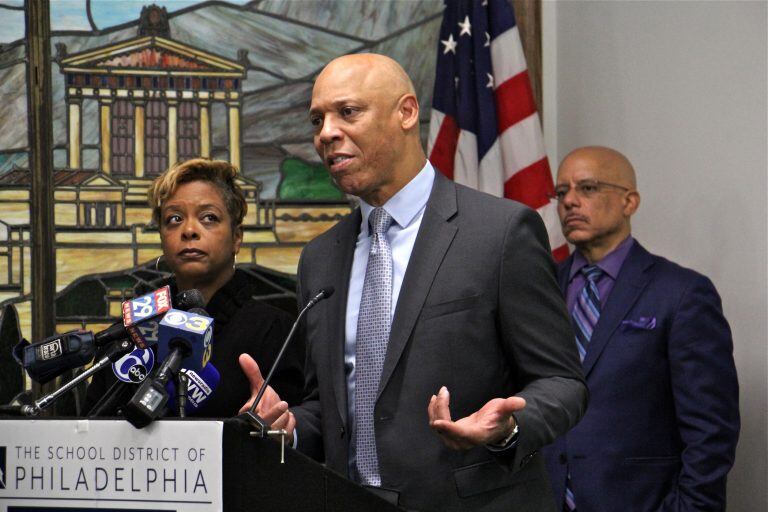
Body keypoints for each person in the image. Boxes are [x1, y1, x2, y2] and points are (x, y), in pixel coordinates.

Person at [238, 53, 587, 511]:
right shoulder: (319, 258)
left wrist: (509, 429)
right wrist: (291, 427)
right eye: (317, 119)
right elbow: (329, 404)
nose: (326, 133)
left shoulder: (500, 233)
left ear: (406, 112)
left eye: (348, 112)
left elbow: (561, 381)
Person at [542, 146, 740, 511]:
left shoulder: (681, 293)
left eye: (587, 188)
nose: (569, 201)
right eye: (561, 192)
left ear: (629, 202)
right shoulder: (540, 290)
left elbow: (711, 433)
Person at [84, 158, 305, 417]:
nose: (189, 230)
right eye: (174, 219)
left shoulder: (274, 331)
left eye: (209, 218)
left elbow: (298, 436)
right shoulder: (131, 331)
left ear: (236, 237)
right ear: (161, 237)